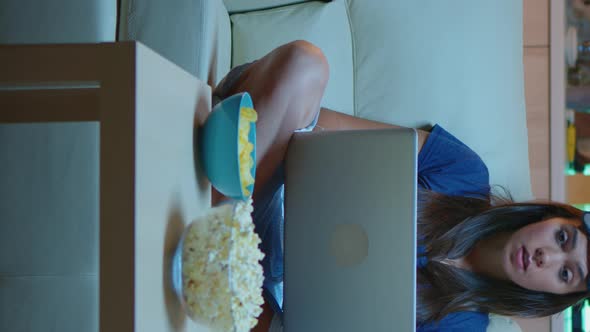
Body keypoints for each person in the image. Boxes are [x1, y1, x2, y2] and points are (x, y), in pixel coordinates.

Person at [211, 40, 590, 331]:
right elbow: (319, 128)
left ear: (552, 297)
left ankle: (216, 230)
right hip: (268, 191)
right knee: (305, 65)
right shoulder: (466, 174)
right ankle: (220, 229)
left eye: (565, 274)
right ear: (552, 217)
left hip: (269, 300)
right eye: (562, 239)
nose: (547, 258)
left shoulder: (462, 326)